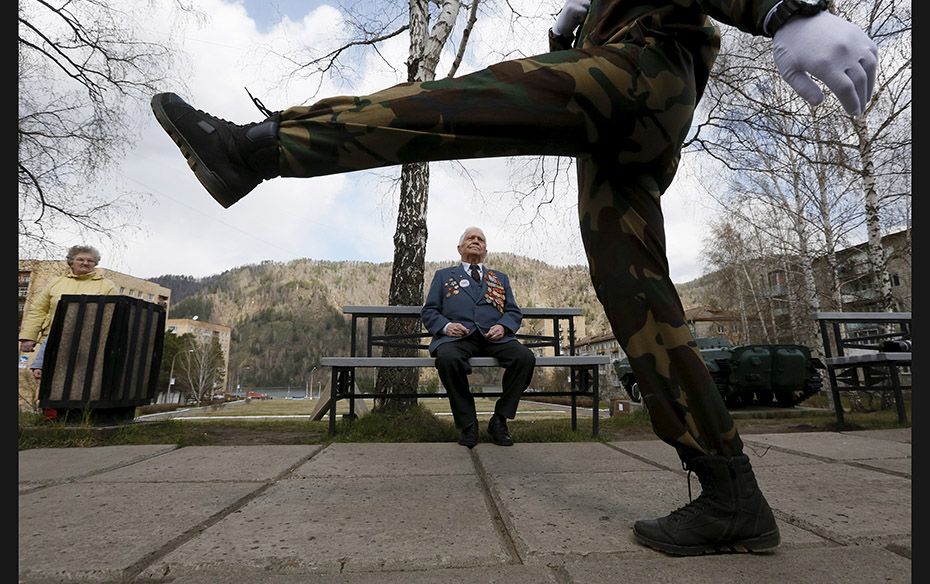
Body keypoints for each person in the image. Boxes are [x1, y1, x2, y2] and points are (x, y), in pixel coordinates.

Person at [150, 0, 878, 556]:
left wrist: (784, 11)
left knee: (457, 104)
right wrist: (581, 19)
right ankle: (730, 494)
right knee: (639, 302)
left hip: (644, 73)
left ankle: (259, 148)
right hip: (633, 104)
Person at [421, 226, 536, 448]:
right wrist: (446, 326)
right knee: (447, 359)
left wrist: (503, 326)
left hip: (495, 338)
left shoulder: (499, 278)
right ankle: (468, 424)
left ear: (485, 250)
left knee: (525, 358)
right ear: (459, 248)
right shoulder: (444, 276)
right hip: (458, 339)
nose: (475, 241)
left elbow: (513, 311)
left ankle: (499, 420)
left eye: (480, 239)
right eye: (470, 238)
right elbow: (429, 311)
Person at [19, 245, 118, 354]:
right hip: (52, 338)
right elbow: (38, 311)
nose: (85, 263)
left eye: (90, 260)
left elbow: (112, 315)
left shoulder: (107, 286)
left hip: (88, 343)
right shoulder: (56, 283)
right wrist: (28, 337)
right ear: (71, 262)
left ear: (95, 263)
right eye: (80, 259)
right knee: (44, 370)